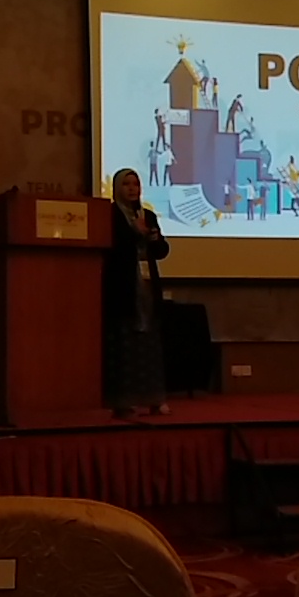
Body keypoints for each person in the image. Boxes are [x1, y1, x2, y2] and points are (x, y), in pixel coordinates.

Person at [102, 168, 171, 417]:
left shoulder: (148, 215)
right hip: (122, 287)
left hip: (147, 288)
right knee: (125, 345)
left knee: (149, 345)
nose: (132, 189)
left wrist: (154, 239)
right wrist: (136, 233)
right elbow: (112, 248)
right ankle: (124, 401)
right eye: (126, 184)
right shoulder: (110, 215)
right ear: (117, 188)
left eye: (135, 184)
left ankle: (155, 398)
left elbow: (162, 251)